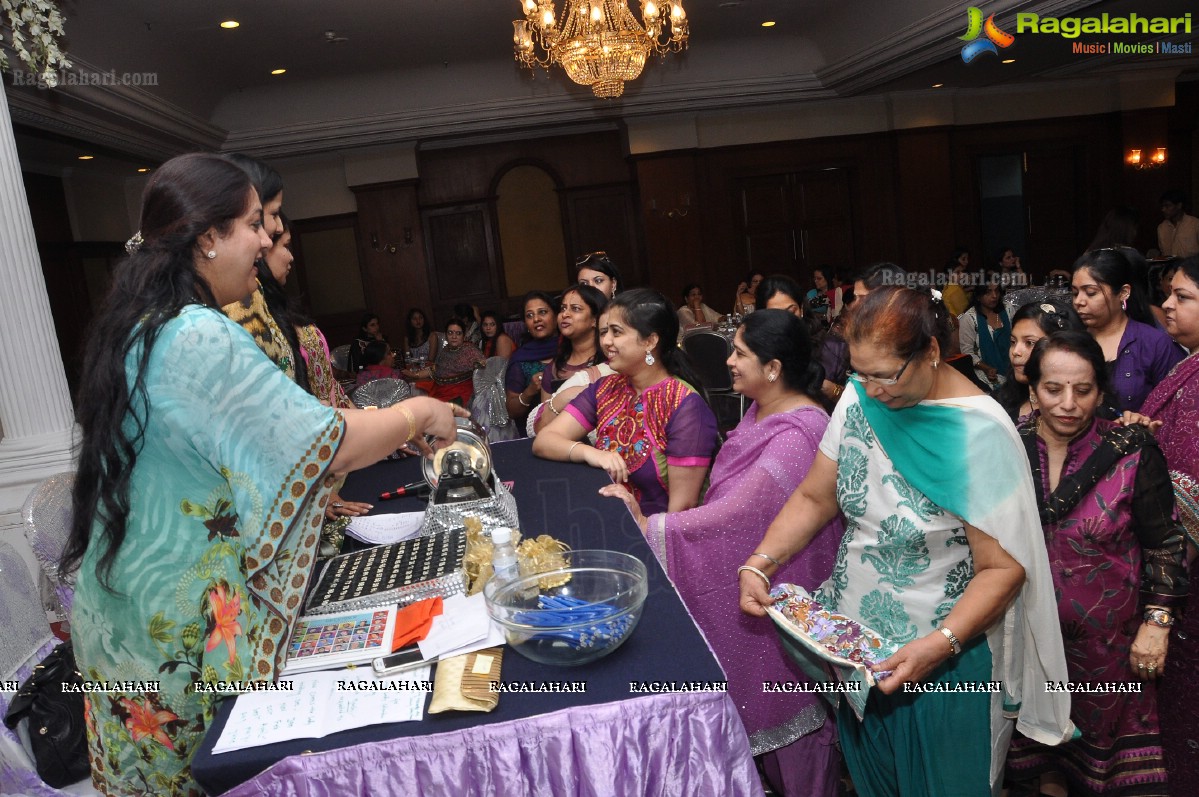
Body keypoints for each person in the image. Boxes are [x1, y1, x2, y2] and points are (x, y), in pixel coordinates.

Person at [61, 153, 465, 796]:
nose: (266, 240)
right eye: (254, 224)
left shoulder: (140, 327)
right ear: (208, 236)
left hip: (122, 607)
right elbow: (326, 444)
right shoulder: (198, 335)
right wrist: (420, 410)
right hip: (180, 628)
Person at [738, 286, 1074, 796]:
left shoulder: (978, 433)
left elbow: (1003, 569)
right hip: (856, 650)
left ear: (931, 353)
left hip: (946, 663)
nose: (871, 389)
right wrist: (762, 561)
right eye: (859, 372)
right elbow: (814, 497)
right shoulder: (860, 396)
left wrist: (937, 648)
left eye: (885, 374)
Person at [600, 310, 843, 796]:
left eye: (740, 353)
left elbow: (741, 515)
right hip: (753, 580)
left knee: (796, 737)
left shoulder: (799, 433)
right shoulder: (761, 409)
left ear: (773, 368)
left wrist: (655, 527)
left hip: (779, 590)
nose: (728, 361)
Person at [1006, 331, 1187, 797]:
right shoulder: (1007, 450)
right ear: (1032, 390)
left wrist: (1158, 622)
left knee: (1110, 773)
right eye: (1053, 389)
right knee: (1043, 763)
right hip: (1031, 642)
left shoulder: (1131, 452)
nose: (1068, 403)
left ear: (1101, 392)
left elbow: (1165, 543)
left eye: (1083, 390)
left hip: (1112, 651)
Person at [533, 288, 719, 516]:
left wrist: (641, 526)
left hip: (655, 538)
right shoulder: (606, 388)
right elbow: (544, 441)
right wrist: (592, 453)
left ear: (650, 340)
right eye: (603, 332)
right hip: (607, 519)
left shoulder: (684, 405)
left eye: (616, 332)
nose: (606, 342)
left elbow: (681, 514)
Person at [1142, 256, 1199, 782]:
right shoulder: (1189, 362)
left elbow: (1189, 505)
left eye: (1183, 297)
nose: (1167, 305)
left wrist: (1161, 607)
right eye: (1168, 294)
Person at [1072, 248, 1183, 412]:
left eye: (1090, 292)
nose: (1079, 301)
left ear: (1123, 293)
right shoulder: (1071, 341)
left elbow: (1177, 409)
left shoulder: (1154, 344)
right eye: (1075, 293)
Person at [528, 285, 608, 435]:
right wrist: (562, 398)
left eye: (575, 309)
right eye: (563, 308)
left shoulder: (611, 364)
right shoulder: (553, 369)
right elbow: (544, 425)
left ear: (595, 320)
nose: (565, 314)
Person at [991, 299, 1085, 423]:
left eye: (1030, 343)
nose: (1016, 351)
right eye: (1013, 342)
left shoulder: (1083, 408)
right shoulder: (998, 404)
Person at [757, 274, 846, 406]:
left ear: (802, 309)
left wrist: (833, 390)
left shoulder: (832, 348)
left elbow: (858, 401)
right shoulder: (757, 350)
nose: (786, 320)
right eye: (776, 315)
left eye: (791, 312)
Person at [505, 291, 559, 431]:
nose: (536, 319)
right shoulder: (520, 359)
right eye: (530, 315)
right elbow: (512, 411)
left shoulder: (573, 348)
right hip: (538, 435)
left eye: (542, 312)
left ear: (556, 316)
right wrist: (529, 391)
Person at [405, 319, 485, 405]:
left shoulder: (470, 350)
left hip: (461, 393)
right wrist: (416, 374)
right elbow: (436, 369)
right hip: (441, 390)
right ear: (446, 336)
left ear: (463, 335)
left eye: (458, 333)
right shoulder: (445, 350)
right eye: (450, 333)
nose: (454, 336)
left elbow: (483, 369)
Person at [957, 277, 1012, 386]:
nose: (994, 296)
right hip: (985, 373)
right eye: (988, 292)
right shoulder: (969, 318)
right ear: (978, 296)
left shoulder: (1008, 309)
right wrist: (986, 368)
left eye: (996, 291)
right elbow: (967, 352)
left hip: (1011, 368)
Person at [1157, 189, 1199, 259]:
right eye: (1162, 206)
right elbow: (1163, 252)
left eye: (1167, 206)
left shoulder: (1195, 224)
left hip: (1192, 268)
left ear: (1179, 205)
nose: (1163, 209)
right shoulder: (1162, 228)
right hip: (1171, 268)